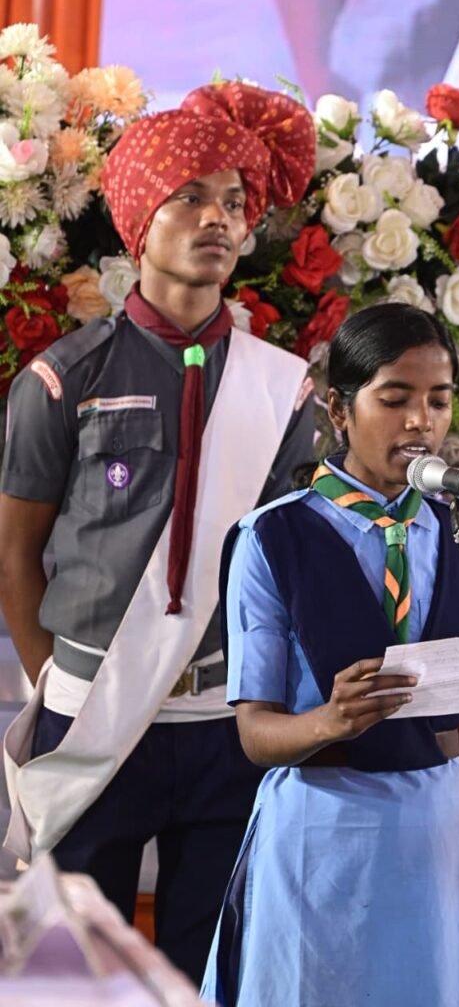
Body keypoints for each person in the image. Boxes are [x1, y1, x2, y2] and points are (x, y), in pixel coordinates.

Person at [0, 81, 316, 986]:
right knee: (72, 968)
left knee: (206, 968)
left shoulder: (282, 388)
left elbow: (287, 559)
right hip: (92, 708)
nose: (217, 218)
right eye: (190, 197)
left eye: (234, 202)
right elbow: (15, 556)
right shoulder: (63, 377)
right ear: (140, 220)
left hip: (227, 721)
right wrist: (63, 685)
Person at [201, 303, 459, 1007]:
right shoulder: (271, 537)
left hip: (438, 837)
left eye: (438, 401)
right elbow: (254, 734)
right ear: (339, 410)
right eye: (395, 398)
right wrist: (329, 721)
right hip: (320, 833)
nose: (420, 422)